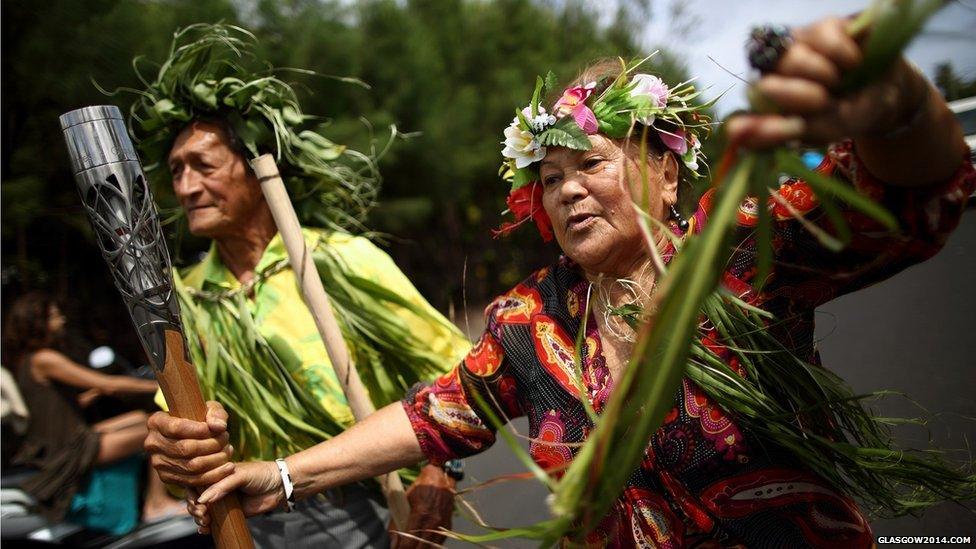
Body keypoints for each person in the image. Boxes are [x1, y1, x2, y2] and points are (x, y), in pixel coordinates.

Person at [150, 16, 973, 547]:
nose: (569, 189)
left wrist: (893, 101)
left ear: (666, 171)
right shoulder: (532, 316)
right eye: (549, 177)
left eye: (590, 165)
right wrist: (283, 473)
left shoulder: (732, 255)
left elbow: (904, 198)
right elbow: (433, 415)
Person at [129, 25, 470, 548]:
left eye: (203, 165)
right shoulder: (189, 300)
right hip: (248, 520)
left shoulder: (335, 262)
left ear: (256, 169)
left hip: (366, 509)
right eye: (175, 172)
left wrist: (438, 476)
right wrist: (179, 449)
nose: (186, 187)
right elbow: (184, 429)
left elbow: (461, 374)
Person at [3, 292, 184, 535]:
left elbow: (54, 404)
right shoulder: (45, 358)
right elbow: (109, 383)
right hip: (70, 447)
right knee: (157, 430)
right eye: (55, 316)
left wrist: (91, 395)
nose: (62, 320)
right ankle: (156, 504)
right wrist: (162, 384)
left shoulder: (25, 361)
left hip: (66, 438)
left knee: (142, 418)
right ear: (38, 323)